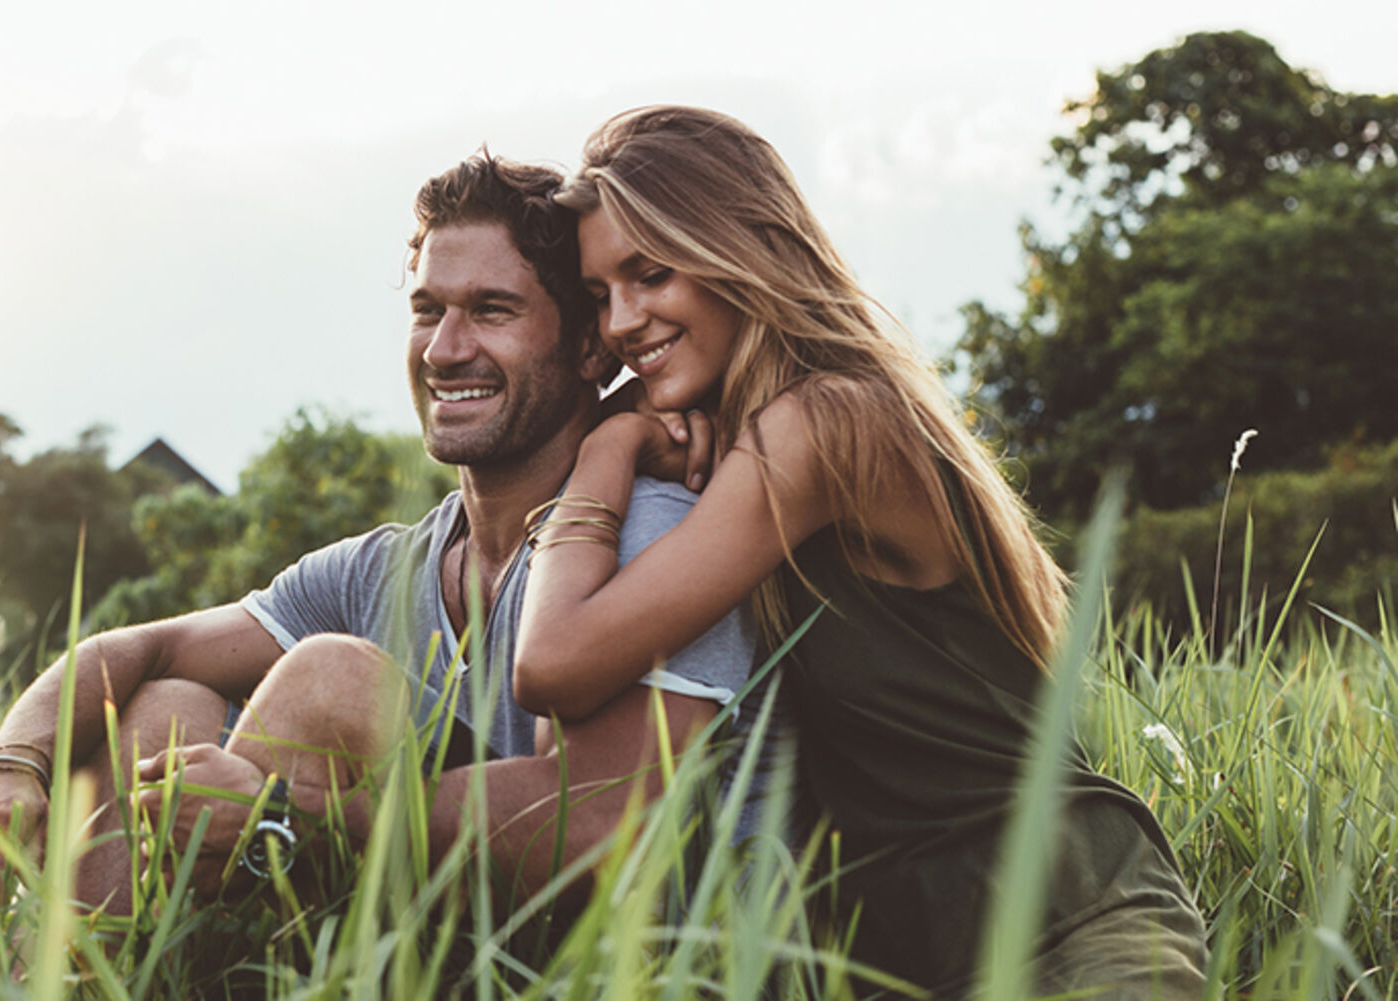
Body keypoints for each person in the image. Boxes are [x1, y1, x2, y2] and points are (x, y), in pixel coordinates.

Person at [0, 151, 778, 929]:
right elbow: (148, 645)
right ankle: (79, 978)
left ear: (592, 347)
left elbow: (604, 832)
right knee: (165, 706)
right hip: (433, 930)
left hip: (621, 960)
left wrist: (277, 811)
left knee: (335, 680)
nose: (446, 349)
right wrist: (6, 762)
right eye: (427, 310)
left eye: (491, 310)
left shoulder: (649, 522)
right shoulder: (387, 566)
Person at [510, 106, 1208, 998]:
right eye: (601, 294)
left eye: (649, 274)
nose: (620, 323)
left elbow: (553, 661)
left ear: (738, 251)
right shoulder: (762, 436)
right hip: (904, 963)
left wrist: (605, 452)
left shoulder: (825, 425)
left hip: (1065, 929)